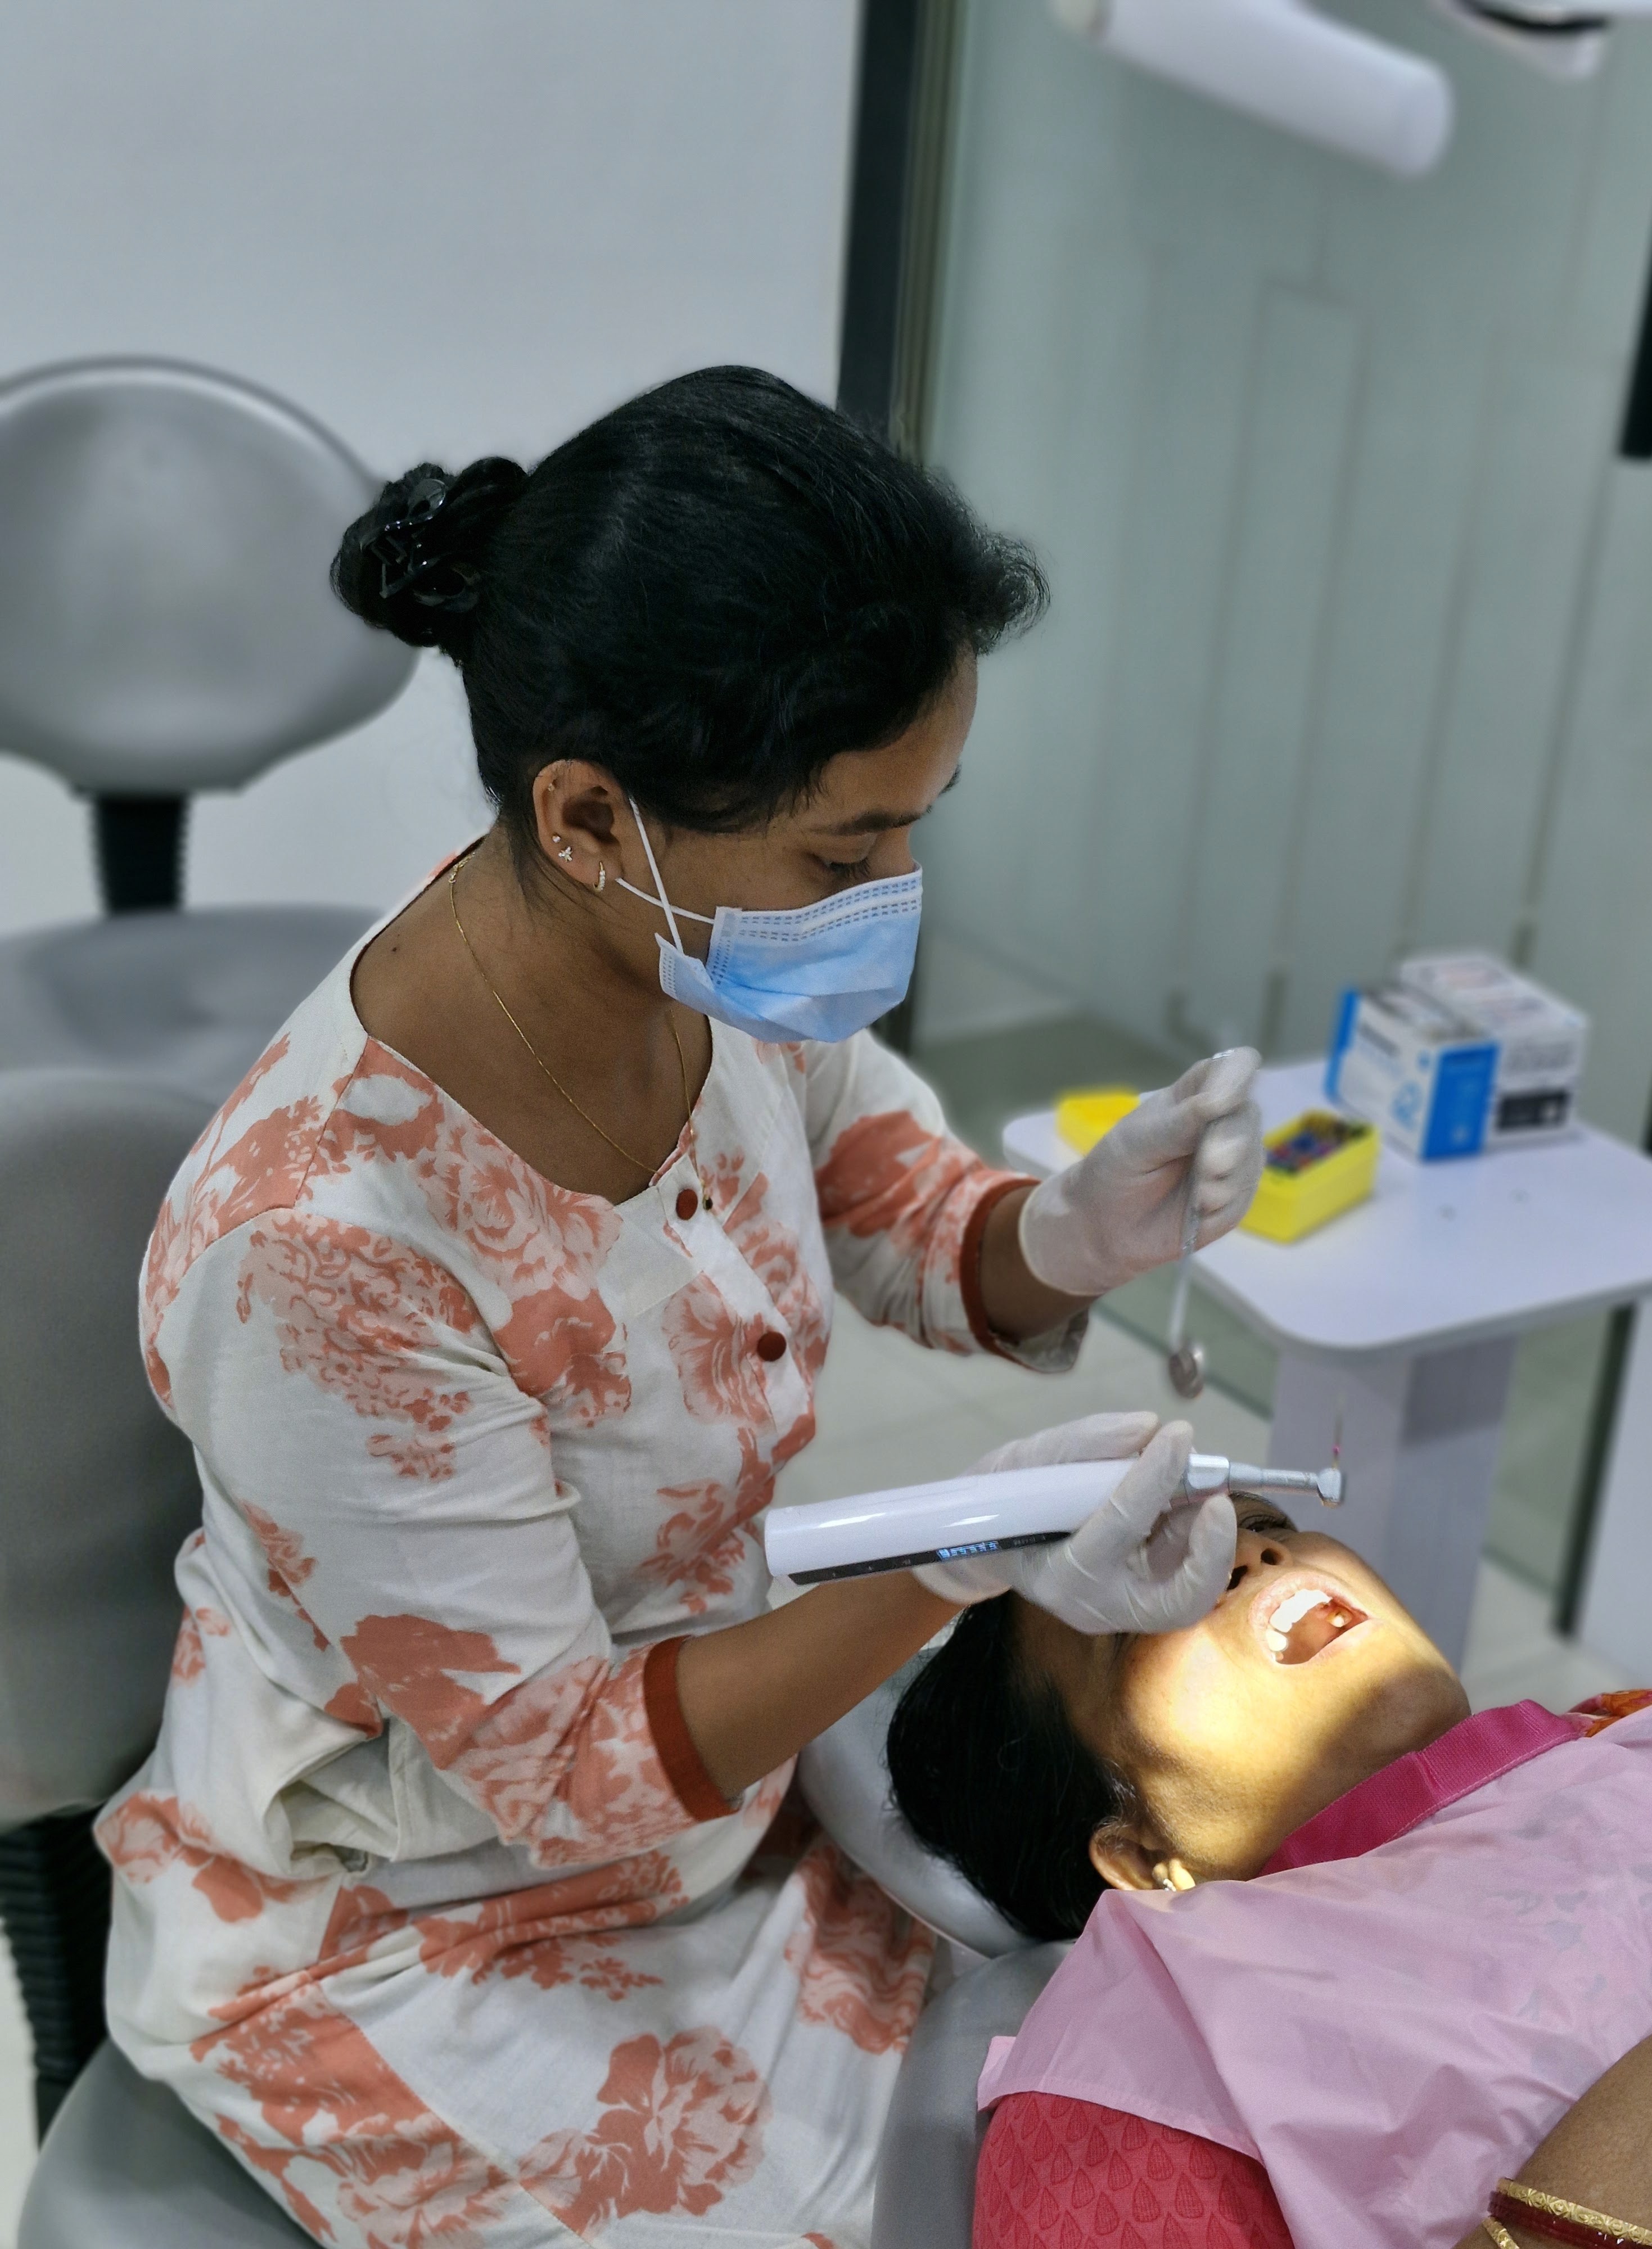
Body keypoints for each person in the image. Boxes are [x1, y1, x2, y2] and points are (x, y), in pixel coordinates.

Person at [97, 367, 1264, 2249]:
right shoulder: (330, 1253)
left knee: (1100, 2085)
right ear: (583, 816)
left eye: (916, 821)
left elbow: (894, 1210)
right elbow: (561, 1768)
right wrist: (968, 1552)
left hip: (725, 1794)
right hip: (418, 1928)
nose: (896, 893)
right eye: (845, 851)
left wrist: (1069, 1228)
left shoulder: (694, 969)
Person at [887, 1445, 1652, 2249]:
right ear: (1137, 1857)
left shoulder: (1636, 1730)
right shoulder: (1127, 2090)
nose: (1246, 1553)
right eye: (1142, 1612)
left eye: (1266, 1523)